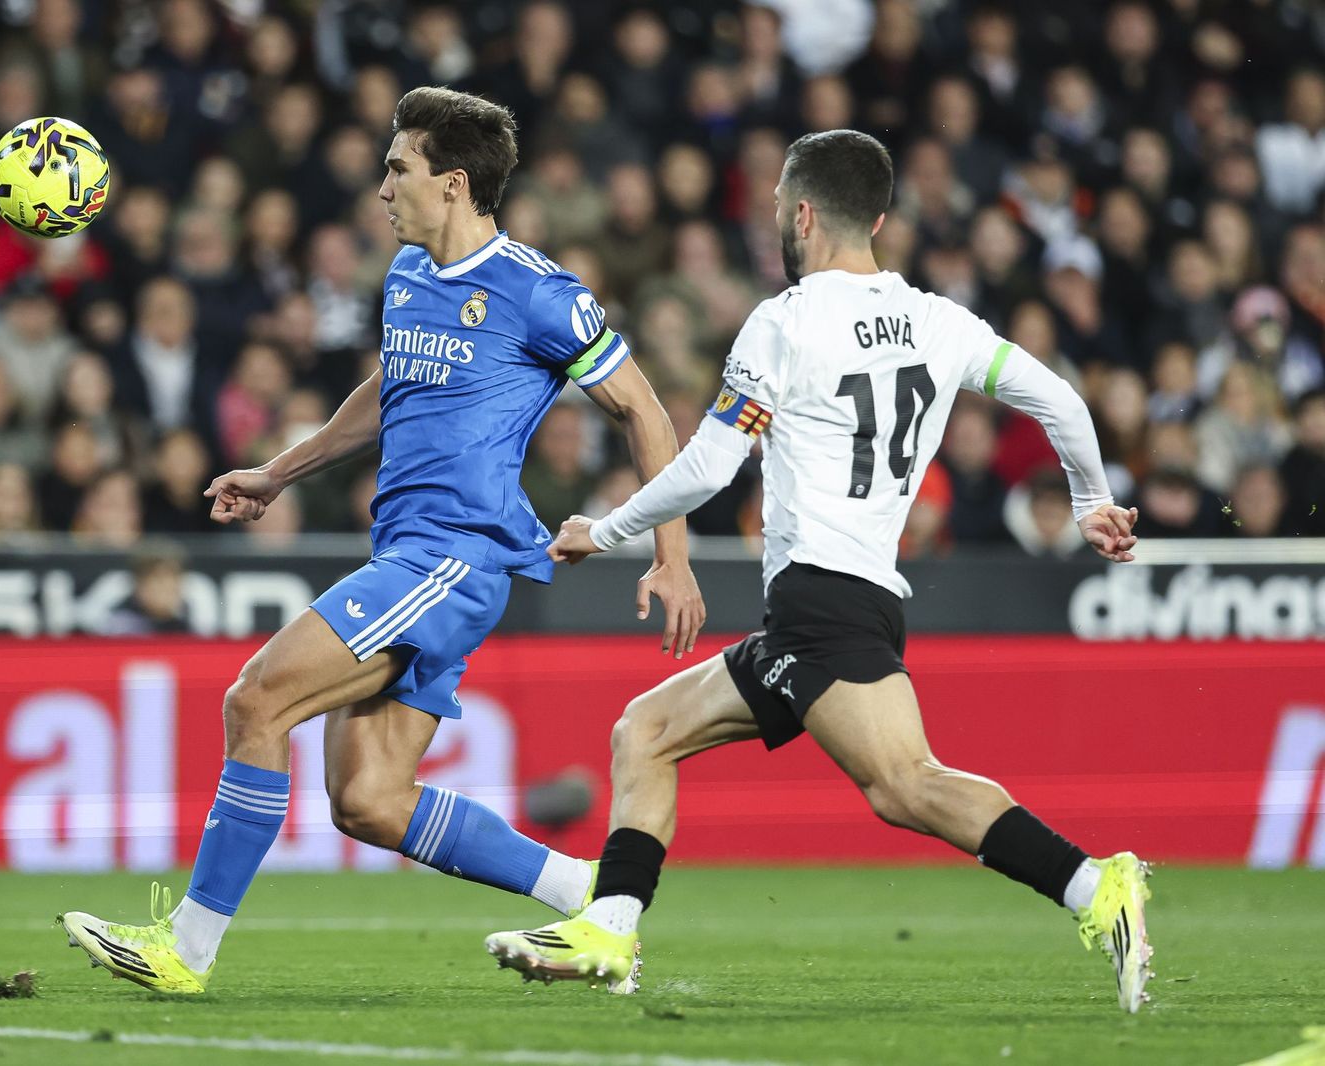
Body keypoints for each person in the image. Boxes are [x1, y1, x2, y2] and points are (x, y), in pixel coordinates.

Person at [485, 130, 1155, 1014]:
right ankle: (608, 930)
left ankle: (1095, 885)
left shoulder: (786, 322)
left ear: (801, 213)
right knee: (644, 731)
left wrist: (603, 530)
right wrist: (1087, 500)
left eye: (778, 207)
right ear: (876, 216)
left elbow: (709, 468)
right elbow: (1062, 401)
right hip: (840, 597)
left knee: (904, 784)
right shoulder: (943, 322)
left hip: (823, 598)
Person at [61, 86, 702, 995]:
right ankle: (595, 901)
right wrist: (280, 470)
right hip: (406, 555)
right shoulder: (406, 277)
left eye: (397, 167)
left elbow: (644, 409)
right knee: (368, 801)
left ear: (452, 183)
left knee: (257, 702)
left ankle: (186, 951)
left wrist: (671, 556)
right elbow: (390, 386)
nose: (380, 186)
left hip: (454, 557)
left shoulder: (536, 292)